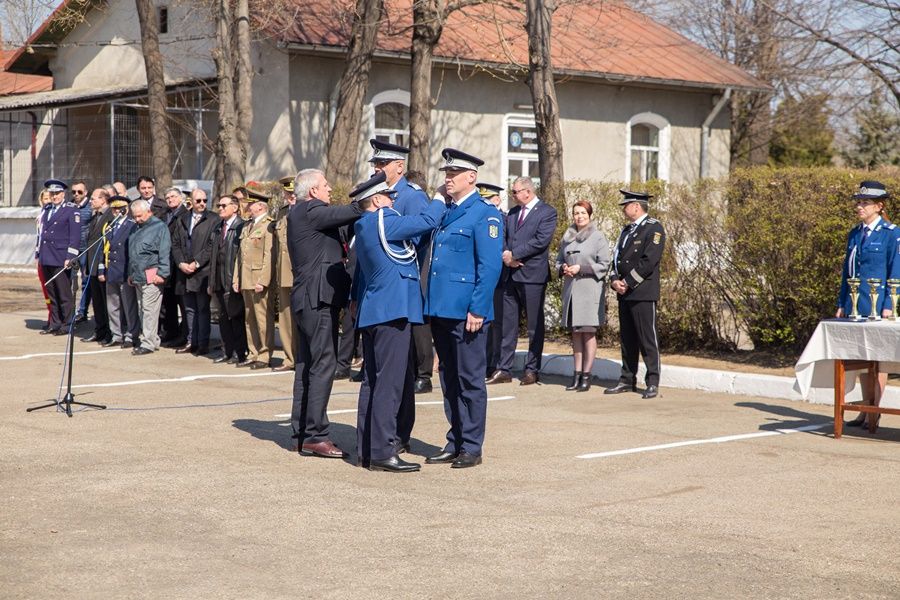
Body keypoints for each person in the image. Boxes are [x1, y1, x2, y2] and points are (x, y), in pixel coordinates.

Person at [350, 172, 447, 472]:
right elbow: (427, 221)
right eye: (389, 197)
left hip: (377, 311)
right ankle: (383, 452)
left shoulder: (366, 225)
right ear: (377, 200)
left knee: (373, 382)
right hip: (392, 312)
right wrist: (439, 197)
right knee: (389, 384)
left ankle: (368, 449)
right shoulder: (383, 220)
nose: (394, 202)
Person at [423, 148, 503, 469]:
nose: (448, 178)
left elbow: (490, 267)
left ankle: (471, 445)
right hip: (441, 309)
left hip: (467, 312)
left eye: (454, 173)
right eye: (446, 173)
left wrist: (478, 309)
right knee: (449, 378)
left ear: (471, 177)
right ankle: (455, 439)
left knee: (470, 380)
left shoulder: (485, 213)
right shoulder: (446, 210)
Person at [288, 168, 363, 458]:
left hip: (308, 299)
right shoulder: (311, 210)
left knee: (307, 366)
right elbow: (352, 210)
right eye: (325, 185)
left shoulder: (301, 213)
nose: (330, 189)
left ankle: (301, 433)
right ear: (312, 192)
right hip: (317, 300)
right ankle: (316, 435)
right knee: (323, 365)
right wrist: (369, 194)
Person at [368, 139, 434, 395]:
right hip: (387, 273)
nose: (377, 168)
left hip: (411, 267)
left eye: (383, 163)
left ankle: (423, 373)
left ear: (399, 166)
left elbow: (422, 233)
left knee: (416, 323)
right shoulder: (379, 194)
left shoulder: (412, 195)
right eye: (376, 163)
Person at [836, 181, 899, 428]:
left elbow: (896, 271)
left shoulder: (891, 233)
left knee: (878, 360)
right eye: (858, 202)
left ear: (879, 206)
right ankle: (865, 409)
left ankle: (874, 411)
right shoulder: (855, 233)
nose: (859, 206)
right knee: (862, 359)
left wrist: (889, 304)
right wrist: (842, 302)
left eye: (865, 202)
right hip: (856, 305)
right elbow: (848, 272)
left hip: (880, 305)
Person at [487, 176, 558, 386]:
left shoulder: (547, 212)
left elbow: (540, 241)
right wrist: (506, 256)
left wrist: (515, 254)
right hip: (510, 274)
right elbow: (503, 237)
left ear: (528, 191)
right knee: (507, 325)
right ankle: (504, 369)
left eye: (515, 191)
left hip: (533, 276)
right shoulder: (513, 213)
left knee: (534, 326)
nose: (513, 195)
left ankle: (532, 369)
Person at [604, 190, 666, 399]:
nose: (623, 209)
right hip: (624, 292)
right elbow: (616, 258)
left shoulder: (654, 228)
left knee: (647, 339)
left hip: (642, 292)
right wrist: (614, 280)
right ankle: (627, 379)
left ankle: (652, 381)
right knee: (627, 339)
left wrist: (628, 282)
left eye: (626, 205)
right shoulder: (626, 230)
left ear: (637, 206)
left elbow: (649, 261)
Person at [556, 201, 611, 392]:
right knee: (576, 333)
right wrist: (563, 268)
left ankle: (587, 375)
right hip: (571, 291)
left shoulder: (598, 237)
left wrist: (581, 268)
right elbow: (558, 261)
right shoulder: (567, 237)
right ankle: (577, 374)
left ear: (589, 215)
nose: (579, 216)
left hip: (589, 291)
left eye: (583, 213)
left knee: (588, 333)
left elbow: (604, 264)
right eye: (576, 213)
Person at [172, 188, 220, 356]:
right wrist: (181, 263)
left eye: (205, 200)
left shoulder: (213, 219)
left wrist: (197, 263)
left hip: (202, 272)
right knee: (189, 309)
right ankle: (191, 341)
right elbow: (176, 244)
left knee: (202, 309)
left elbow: (212, 245)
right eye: (198, 201)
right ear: (191, 202)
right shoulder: (183, 219)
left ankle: (202, 343)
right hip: (185, 271)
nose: (202, 204)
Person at [233, 189, 275, 369]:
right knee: (249, 319)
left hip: (258, 280)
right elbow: (240, 256)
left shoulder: (268, 226)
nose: (247, 207)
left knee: (262, 319)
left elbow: (269, 256)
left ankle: (264, 355)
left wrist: (263, 280)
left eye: (250, 204)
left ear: (260, 206)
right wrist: (236, 278)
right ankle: (254, 352)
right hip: (246, 279)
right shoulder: (247, 226)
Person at [36, 179, 81, 335]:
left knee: (63, 293)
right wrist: (39, 254)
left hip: (61, 257)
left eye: (57, 193)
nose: (54, 196)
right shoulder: (47, 209)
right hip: (46, 256)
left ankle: (67, 323)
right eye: (52, 193)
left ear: (63, 194)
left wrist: (71, 256)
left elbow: (75, 237)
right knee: (52, 293)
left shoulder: (71, 210)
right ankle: (54, 323)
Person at [208, 195, 248, 365]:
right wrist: (211, 282)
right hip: (219, 279)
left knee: (236, 317)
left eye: (224, 205)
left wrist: (238, 279)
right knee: (223, 318)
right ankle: (227, 351)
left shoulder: (241, 226)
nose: (220, 208)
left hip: (233, 279)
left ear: (235, 207)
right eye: (219, 205)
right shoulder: (218, 227)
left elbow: (242, 256)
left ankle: (240, 352)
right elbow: (213, 257)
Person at [127, 199, 171, 355]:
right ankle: (152, 339)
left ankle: (148, 343)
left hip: (152, 273)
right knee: (142, 309)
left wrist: (162, 273)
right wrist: (131, 273)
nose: (137, 219)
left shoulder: (159, 227)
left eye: (140, 216)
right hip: (138, 274)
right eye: (134, 216)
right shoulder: (135, 228)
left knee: (149, 310)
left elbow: (164, 251)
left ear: (149, 212)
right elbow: (132, 253)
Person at [101, 195, 140, 349]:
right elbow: (104, 249)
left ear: (126, 209)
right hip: (111, 270)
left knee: (129, 306)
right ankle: (116, 334)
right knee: (113, 306)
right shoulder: (109, 225)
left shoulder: (132, 225)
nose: (116, 211)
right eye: (114, 209)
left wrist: (132, 272)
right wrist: (102, 269)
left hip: (125, 271)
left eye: (120, 208)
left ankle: (131, 335)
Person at [477, 183, 506, 377]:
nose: (484, 202)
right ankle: (486, 362)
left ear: (497, 199)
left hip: (500, 278)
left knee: (496, 323)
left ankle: (494, 362)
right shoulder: (480, 216)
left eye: (488, 199)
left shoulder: (501, 218)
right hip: (483, 279)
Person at [81, 188, 115, 344]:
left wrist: (102, 266)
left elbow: (106, 243)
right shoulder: (95, 216)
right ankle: (99, 330)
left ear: (103, 200)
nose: (91, 201)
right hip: (92, 266)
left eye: (94, 198)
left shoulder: (110, 216)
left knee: (106, 302)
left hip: (103, 266)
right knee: (97, 302)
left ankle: (109, 332)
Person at [271, 176, 298, 372]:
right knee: (286, 318)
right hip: (284, 272)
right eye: (288, 193)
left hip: (300, 272)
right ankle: (290, 358)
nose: (291, 196)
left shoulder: (309, 211)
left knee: (303, 319)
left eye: (294, 193)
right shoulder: (282, 213)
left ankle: (304, 357)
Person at [159, 187, 189, 347]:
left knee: (182, 302)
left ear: (181, 198)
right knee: (168, 300)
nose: (170, 199)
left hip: (180, 263)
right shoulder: (164, 215)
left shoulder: (185, 214)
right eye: (168, 197)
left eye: (173, 196)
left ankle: (184, 335)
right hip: (166, 263)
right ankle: (171, 331)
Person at [70, 180, 92, 324]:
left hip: (86, 249)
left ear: (85, 192)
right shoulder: (69, 207)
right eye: (74, 192)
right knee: (71, 281)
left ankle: (82, 311)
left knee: (85, 280)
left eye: (79, 192)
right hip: (72, 250)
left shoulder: (90, 207)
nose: (76, 194)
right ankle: (70, 312)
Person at [35, 189, 53, 326]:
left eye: (49, 198)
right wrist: (37, 253)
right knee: (45, 287)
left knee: (52, 288)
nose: (48, 201)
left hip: (52, 256)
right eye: (45, 199)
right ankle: (50, 314)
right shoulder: (41, 215)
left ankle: (55, 317)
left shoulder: (53, 214)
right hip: (41, 254)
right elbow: (39, 237)